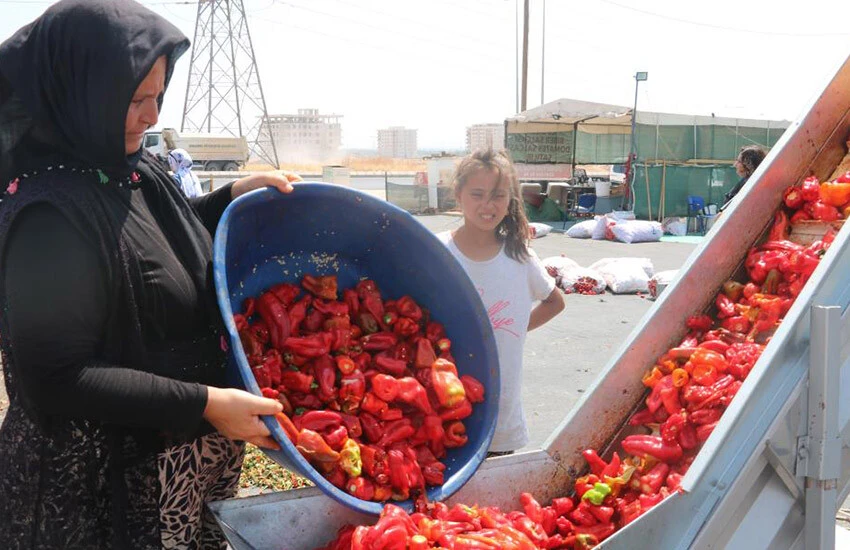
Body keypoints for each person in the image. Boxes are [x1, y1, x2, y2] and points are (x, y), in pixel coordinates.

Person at [0, 1, 298, 548]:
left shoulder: (132, 169)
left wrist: (233, 194)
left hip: (179, 471)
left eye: (158, 96)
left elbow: (159, 243)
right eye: (135, 100)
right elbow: (57, 377)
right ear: (81, 95)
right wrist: (205, 404)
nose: (153, 115)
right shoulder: (51, 219)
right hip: (103, 492)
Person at [438, 150, 565, 456]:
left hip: (500, 412)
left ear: (510, 199)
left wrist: (518, 328)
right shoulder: (438, 251)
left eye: (497, 196)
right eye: (477, 194)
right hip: (441, 408)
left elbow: (554, 301)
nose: (487, 205)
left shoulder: (519, 257)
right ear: (459, 195)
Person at [720, 145, 767, 211]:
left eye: (739, 161)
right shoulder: (748, 183)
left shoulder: (751, 187)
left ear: (749, 165)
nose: (735, 164)